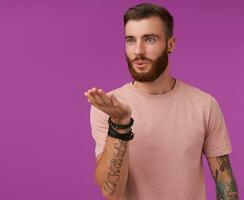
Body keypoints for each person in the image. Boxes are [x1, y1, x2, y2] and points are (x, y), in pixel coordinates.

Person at [83, 3, 239, 200]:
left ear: (170, 44)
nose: (138, 51)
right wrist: (120, 125)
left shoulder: (204, 104)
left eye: (149, 39)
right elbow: (111, 192)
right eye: (131, 40)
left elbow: (224, 183)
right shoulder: (109, 107)